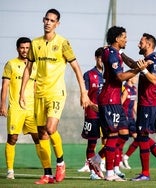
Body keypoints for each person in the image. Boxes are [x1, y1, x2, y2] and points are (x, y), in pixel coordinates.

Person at [19, 8, 91, 184]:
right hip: (39, 94)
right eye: (46, 19)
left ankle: (61, 163)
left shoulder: (63, 43)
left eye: (52, 20)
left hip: (57, 93)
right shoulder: (35, 43)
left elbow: (76, 68)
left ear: (57, 24)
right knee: (42, 133)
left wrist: (84, 92)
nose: (48, 23)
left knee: (51, 129)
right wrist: (22, 92)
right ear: (43, 20)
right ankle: (47, 174)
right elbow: (28, 69)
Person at [88, 26, 149, 181]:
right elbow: (120, 77)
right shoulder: (112, 54)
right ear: (117, 39)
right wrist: (138, 70)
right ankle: (109, 173)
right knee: (112, 135)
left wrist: (139, 65)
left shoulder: (115, 52)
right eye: (124, 37)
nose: (126, 39)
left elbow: (128, 61)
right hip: (109, 100)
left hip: (115, 100)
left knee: (123, 133)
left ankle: (96, 160)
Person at [121, 33, 156, 181]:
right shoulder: (147, 60)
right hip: (145, 103)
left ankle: (146, 173)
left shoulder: (155, 61)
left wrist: (144, 69)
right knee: (142, 136)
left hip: (150, 103)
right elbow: (134, 65)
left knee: (142, 136)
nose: (139, 45)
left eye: (141, 42)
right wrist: (120, 53)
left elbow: (153, 79)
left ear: (149, 44)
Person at [0, 37, 41, 180]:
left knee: (39, 138)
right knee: (13, 138)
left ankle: (46, 170)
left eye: (27, 48)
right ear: (17, 48)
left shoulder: (35, 65)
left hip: (32, 108)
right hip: (16, 108)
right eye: (22, 48)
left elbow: (36, 87)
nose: (25, 50)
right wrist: (2, 104)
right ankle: (10, 170)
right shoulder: (10, 64)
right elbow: (5, 85)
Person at [77, 47, 105, 180]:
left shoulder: (110, 74)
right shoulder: (88, 75)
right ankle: (93, 171)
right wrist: (94, 107)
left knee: (114, 139)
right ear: (96, 58)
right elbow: (84, 96)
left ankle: (109, 167)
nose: (102, 61)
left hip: (107, 113)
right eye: (100, 58)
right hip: (92, 113)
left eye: (104, 58)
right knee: (92, 142)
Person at [120, 76, 138, 170]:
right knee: (123, 139)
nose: (136, 78)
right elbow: (120, 103)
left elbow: (134, 104)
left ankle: (125, 157)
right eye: (135, 77)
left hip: (131, 119)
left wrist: (138, 115)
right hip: (124, 118)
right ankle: (118, 160)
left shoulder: (134, 89)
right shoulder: (125, 88)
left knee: (138, 139)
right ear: (130, 78)